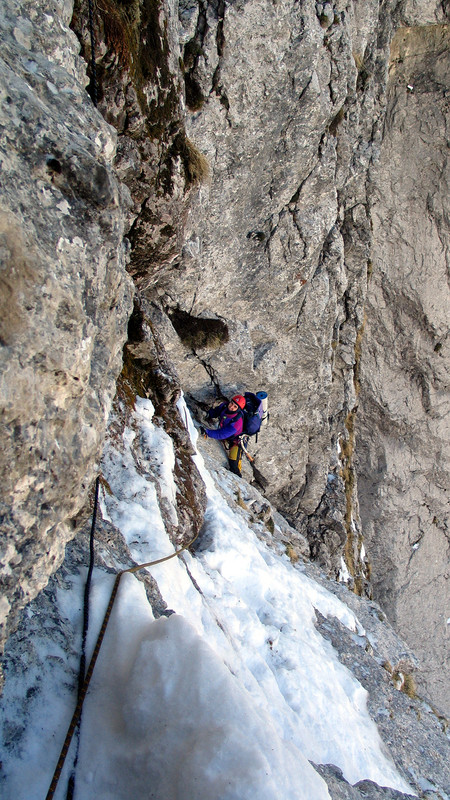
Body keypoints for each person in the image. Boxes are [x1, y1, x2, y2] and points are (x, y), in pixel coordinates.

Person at [200, 396, 246, 476]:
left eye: (235, 406)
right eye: (232, 403)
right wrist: (208, 415)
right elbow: (215, 412)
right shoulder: (224, 406)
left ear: (238, 409)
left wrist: (207, 432)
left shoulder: (237, 423)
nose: (231, 407)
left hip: (236, 441)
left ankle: (237, 478)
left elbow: (221, 434)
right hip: (227, 434)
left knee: (233, 464)